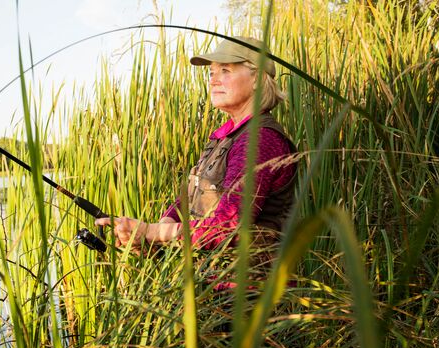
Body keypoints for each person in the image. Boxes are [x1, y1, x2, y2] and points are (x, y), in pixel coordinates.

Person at [95, 36, 296, 257]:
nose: (213, 80)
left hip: (253, 289)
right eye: (211, 73)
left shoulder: (260, 139)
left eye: (225, 71)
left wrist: (152, 232)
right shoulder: (225, 137)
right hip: (212, 285)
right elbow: (190, 198)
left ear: (257, 78)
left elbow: (228, 225)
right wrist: (156, 232)